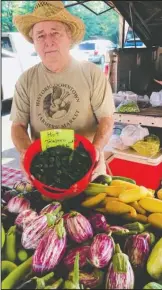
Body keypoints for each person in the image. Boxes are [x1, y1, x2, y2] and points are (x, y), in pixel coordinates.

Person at [10, 1, 115, 181]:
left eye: (55, 33)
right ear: (34, 42)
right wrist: (26, 153)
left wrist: (96, 149)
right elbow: (17, 126)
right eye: (40, 35)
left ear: (69, 38)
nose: (48, 41)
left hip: (87, 168)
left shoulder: (91, 74)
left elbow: (106, 118)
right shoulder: (26, 80)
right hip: (45, 171)